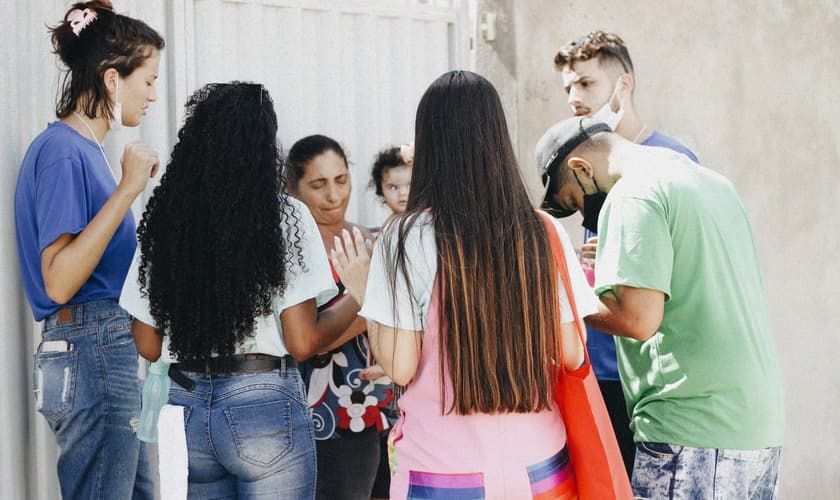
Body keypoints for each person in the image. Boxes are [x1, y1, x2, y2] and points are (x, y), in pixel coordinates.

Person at [333, 70, 598, 499]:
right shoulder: (542, 230)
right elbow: (570, 352)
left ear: (430, 144)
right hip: (541, 470)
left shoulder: (405, 237)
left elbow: (400, 366)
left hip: (442, 475)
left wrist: (366, 295)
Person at [120, 83, 367, 499]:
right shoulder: (285, 217)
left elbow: (147, 343)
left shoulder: (167, 220)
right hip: (264, 405)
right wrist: (361, 296)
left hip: (185, 408)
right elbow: (304, 341)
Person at [537, 115, 784, 498]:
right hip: (757, 425)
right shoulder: (713, 183)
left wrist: (565, 302)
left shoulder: (633, 193)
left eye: (575, 201)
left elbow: (637, 319)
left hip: (691, 428)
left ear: (582, 168)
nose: (586, 217)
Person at [13, 1, 163, 497]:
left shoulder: (88, 154)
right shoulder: (63, 151)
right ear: (112, 79)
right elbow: (58, 278)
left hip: (104, 347)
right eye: (148, 80)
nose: (154, 96)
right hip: (92, 347)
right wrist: (126, 191)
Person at [548, 30, 699, 474]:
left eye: (587, 83)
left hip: (652, 378)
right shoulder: (584, 165)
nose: (575, 97)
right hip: (596, 365)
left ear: (623, 86)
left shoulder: (671, 161)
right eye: (568, 87)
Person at [287, 135, 394, 500]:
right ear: (294, 189)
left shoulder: (373, 238)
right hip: (330, 417)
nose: (334, 195)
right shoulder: (298, 252)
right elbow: (311, 341)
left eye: (341, 180)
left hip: (381, 409)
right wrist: (376, 300)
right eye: (318, 185)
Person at [367, 142, 414, 500]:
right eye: (391, 187)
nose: (400, 194)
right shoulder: (385, 234)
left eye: (407, 184)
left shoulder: (422, 228)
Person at [371, 143, 414, 217]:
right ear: (381, 190)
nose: (402, 193)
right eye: (393, 187)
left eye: (410, 185)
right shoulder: (390, 223)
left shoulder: (427, 219)